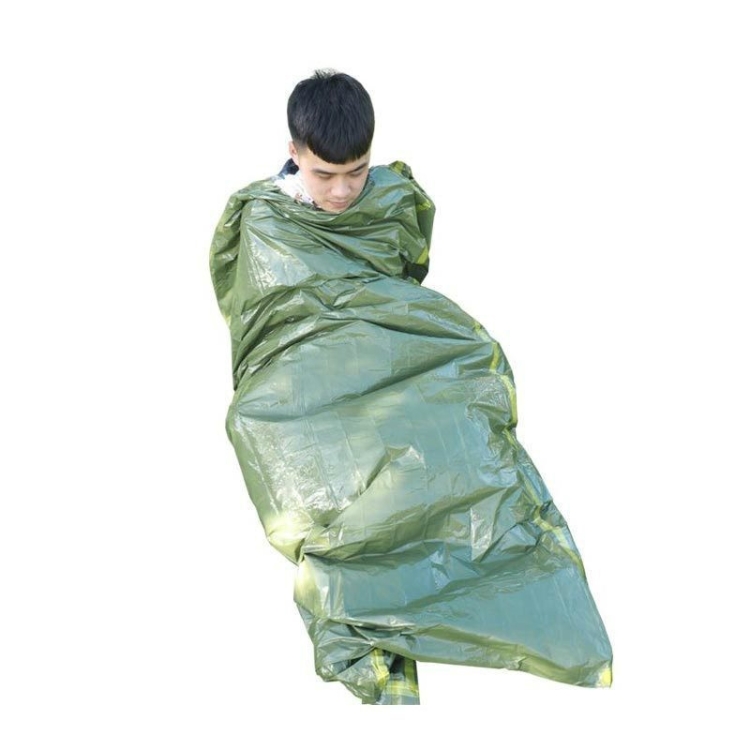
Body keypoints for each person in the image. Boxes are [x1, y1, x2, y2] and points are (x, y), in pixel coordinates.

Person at [209, 69, 612, 705]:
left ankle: (504, 600)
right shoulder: (264, 220)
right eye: (324, 174)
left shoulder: (392, 198)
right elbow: (259, 315)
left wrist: (379, 327)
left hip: (388, 353)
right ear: (293, 153)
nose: (343, 190)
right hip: (303, 375)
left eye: (356, 171)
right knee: (299, 465)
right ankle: (369, 618)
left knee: (463, 433)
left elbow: (403, 274)